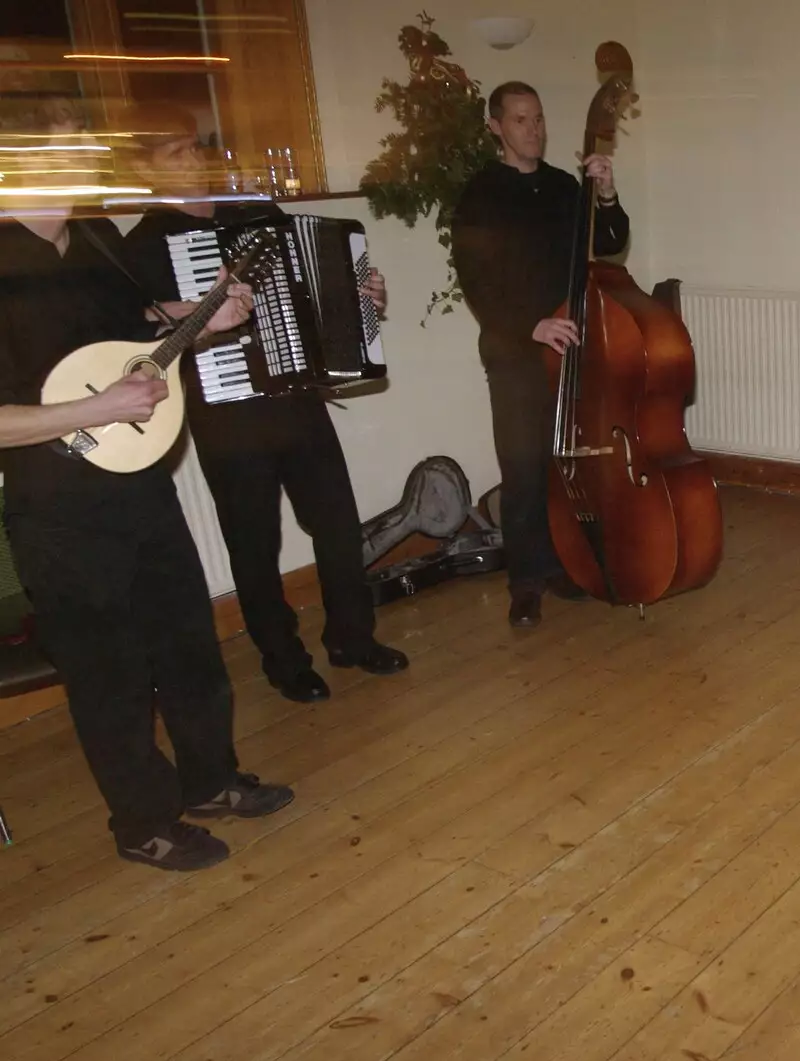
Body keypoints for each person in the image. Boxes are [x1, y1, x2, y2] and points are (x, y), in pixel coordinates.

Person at [0, 104, 293, 871]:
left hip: (138, 482)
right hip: (59, 511)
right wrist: (97, 407)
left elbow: (135, 325)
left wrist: (206, 318)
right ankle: (142, 823)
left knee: (188, 640)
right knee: (110, 676)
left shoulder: (91, 239)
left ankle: (211, 780)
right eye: (65, 155)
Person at [118, 104, 409, 703]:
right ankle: (283, 660)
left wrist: (362, 300)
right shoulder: (143, 246)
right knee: (255, 546)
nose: (195, 159)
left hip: (296, 398)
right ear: (146, 171)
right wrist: (201, 307)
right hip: (226, 412)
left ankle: (353, 638)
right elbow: (138, 336)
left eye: (197, 148)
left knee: (335, 526)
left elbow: (306, 295)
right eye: (177, 152)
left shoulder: (254, 212)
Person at [452, 81, 627, 627]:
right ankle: (525, 581)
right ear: (496, 127)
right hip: (514, 353)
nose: (534, 130)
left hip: (571, 348)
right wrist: (533, 324)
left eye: (539, 118)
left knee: (566, 463)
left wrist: (605, 193)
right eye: (522, 120)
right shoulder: (479, 195)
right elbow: (478, 285)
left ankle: (563, 565)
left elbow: (613, 239)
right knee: (524, 467)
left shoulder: (561, 187)